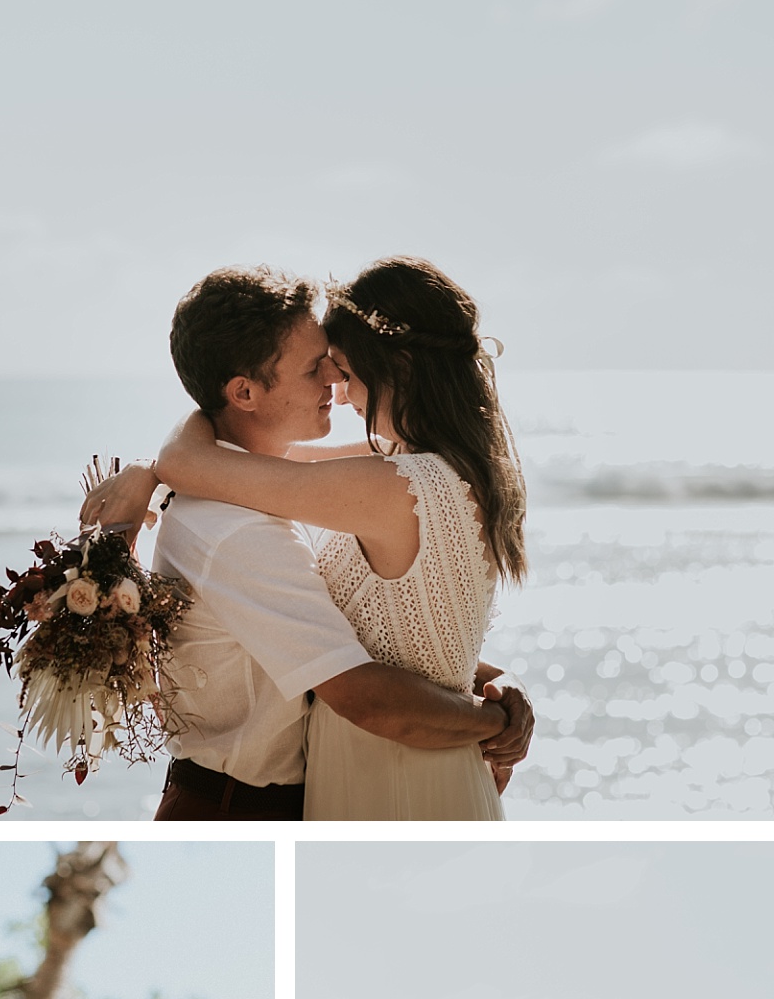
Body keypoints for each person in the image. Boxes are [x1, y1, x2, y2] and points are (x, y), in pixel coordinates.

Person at [83, 261, 531, 820]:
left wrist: (159, 467)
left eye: (340, 366)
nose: (336, 389)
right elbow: (373, 661)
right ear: (244, 391)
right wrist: (495, 711)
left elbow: (383, 645)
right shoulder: (248, 520)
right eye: (317, 367)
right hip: (245, 807)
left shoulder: (390, 479)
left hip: (380, 776)